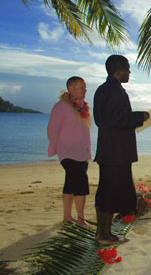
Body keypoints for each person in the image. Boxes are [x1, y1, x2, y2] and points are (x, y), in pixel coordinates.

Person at [93, 55, 150, 245]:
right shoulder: (114, 91)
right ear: (119, 71)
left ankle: (102, 232)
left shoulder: (102, 90)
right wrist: (139, 117)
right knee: (110, 193)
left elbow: (101, 120)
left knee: (105, 192)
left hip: (108, 149)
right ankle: (105, 235)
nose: (130, 72)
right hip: (115, 153)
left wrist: (133, 117)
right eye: (128, 68)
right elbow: (115, 120)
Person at [47, 76, 92, 228]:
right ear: (71, 88)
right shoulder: (61, 106)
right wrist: (58, 147)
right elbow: (52, 130)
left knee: (70, 184)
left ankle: (67, 217)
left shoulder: (83, 106)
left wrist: (87, 150)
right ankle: (81, 218)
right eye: (81, 87)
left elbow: (84, 131)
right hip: (67, 152)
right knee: (81, 183)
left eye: (85, 87)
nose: (85, 90)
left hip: (81, 153)